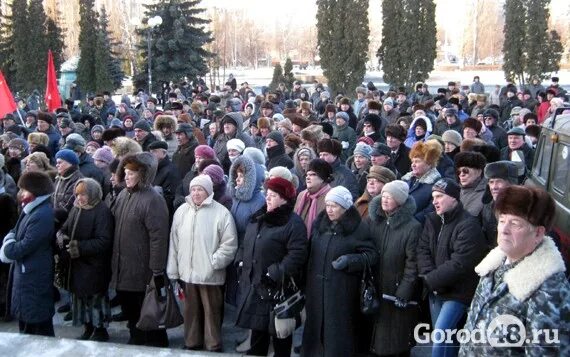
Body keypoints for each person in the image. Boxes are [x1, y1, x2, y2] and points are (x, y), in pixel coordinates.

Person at [459, 186, 569, 356]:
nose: (503, 229)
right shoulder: (493, 264)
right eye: (502, 220)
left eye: (515, 223)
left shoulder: (550, 292)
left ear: (538, 233)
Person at [235, 177, 309, 357]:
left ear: (284, 198)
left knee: (280, 335)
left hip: (277, 289)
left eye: (273, 195)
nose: (267, 198)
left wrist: (275, 273)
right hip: (255, 286)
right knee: (257, 334)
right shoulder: (258, 217)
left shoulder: (293, 222)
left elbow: (297, 254)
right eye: (267, 194)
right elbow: (246, 243)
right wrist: (240, 261)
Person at [302, 186, 377, 357]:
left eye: (334, 206)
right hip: (316, 290)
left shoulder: (358, 228)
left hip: (342, 291)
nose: (329, 209)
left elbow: (371, 255)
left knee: (338, 334)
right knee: (315, 332)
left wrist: (350, 261)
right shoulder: (319, 225)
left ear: (345, 207)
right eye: (327, 205)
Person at [417, 178, 487, 357]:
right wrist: (429, 278)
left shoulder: (468, 225)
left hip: (457, 293)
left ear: (454, 198)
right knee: (447, 337)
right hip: (435, 289)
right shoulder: (432, 220)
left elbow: (460, 263)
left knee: (440, 335)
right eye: (433, 197)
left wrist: (431, 280)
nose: (434, 201)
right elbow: (423, 250)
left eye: (439, 196)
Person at [167, 175, 237, 352]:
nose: (196, 193)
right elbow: (174, 243)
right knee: (191, 312)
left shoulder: (221, 213)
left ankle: (213, 344)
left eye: (200, 189)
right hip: (188, 273)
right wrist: (174, 270)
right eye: (193, 189)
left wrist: (213, 263)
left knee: (211, 312)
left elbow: (229, 244)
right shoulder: (181, 211)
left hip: (210, 275)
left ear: (208, 191)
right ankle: (192, 342)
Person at [111, 152, 170, 347]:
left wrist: (157, 270)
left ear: (143, 175)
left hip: (142, 270)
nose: (126, 176)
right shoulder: (122, 195)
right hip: (122, 267)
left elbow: (158, 237)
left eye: (132, 172)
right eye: (125, 172)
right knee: (130, 311)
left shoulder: (153, 199)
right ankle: (135, 339)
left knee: (147, 313)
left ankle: (155, 345)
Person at [368, 180, 422, 356]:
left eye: (389, 196)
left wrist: (405, 289)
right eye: (383, 195)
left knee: (396, 339)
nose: (384, 199)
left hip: (395, 288)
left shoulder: (412, 227)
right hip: (376, 285)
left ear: (400, 200)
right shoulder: (375, 221)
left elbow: (413, 262)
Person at [56, 178, 113, 341]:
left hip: (94, 265)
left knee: (95, 299)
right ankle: (88, 327)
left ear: (93, 194)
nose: (79, 198)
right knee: (80, 299)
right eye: (77, 194)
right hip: (77, 265)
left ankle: (100, 331)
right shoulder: (76, 207)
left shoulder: (102, 211)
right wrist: (61, 234)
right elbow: (66, 227)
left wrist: (77, 247)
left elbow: (104, 241)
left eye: (83, 194)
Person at [0, 171, 55, 336]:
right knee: (27, 322)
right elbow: (14, 231)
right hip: (27, 273)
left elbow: (24, 245)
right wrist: (11, 239)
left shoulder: (41, 214)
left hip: (33, 275)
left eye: (24, 189)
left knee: (37, 329)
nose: (20, 193)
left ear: (36, 191)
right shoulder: (30, 209)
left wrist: (8, 246)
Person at [480, 161, 519, 250]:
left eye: (499, 181)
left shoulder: (522, 209)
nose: (494, 187)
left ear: (511, 183)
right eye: (491, 182)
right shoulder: (487, 206)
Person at [401, 141, 442, 223]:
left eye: (417, 161)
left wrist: (411, 222)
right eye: (412, 161)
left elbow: (431, 211)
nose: (413, 165)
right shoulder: (407, 179)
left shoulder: (437, 185)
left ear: (429, 163)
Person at [294, 158, 333, 238]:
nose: (308, 177)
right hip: (299, 242)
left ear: (323, 177)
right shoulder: (302, 195)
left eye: (313, 174)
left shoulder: (331, 197)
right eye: (307, 174)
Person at [455, 151, 488, 217]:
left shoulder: (487, 195)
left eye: (465, 171)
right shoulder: (455, 191)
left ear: (479, 172)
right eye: (459, 171)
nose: (461, 174)